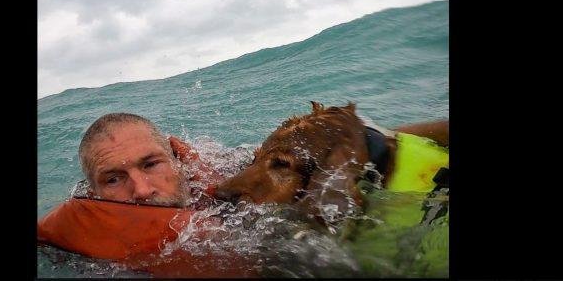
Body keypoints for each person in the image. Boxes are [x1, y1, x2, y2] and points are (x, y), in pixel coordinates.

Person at [37, 112, 448, 274]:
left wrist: (377, 146)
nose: (141, 190)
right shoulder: (83, 249)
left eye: (150, 164)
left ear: (176, 159)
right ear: (92, 192)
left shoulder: (229, 172)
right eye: (113, 179)